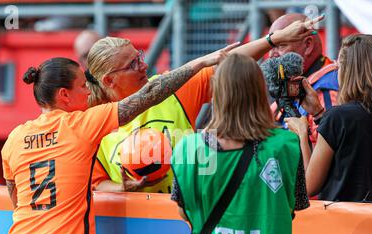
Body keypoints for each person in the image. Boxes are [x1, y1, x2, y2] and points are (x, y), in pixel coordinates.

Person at [0, 46, 234, 234]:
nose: (89, 91)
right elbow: (149, 95)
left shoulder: (15, 136)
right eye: (82, 86)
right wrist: (199, 63)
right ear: (64, 94)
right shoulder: (81, 124)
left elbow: (15, 195)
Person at [86, 15, 324, 193]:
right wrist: (123, 188)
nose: (144, 66)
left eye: (139, 56)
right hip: (140, 229)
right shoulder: (91, 121)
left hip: (187, 219)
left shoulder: (170, 89)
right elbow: (96, 183)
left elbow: (229, 65)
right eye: (132, 64)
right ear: (109, 80)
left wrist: (274, 40)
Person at [170, 54, 309, 234]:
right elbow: (296, 203)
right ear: (259, 91)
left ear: (217, 93)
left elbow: (184, 211)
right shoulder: (285, 145)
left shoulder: (189, 149)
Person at [286, 34, 372, 203]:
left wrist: (302, 134)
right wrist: (319, 114)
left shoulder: (339, 117)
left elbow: (308, 187)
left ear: (348, 71)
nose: (335, 71)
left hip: (348, 224)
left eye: (338, 66)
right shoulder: (339, 118)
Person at [269, 13, 339, 144]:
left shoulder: (327, 91)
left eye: (280, 45)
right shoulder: (293, 83)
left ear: (308, 45)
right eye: (271, 47)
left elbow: (330, 158)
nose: (271, 54)